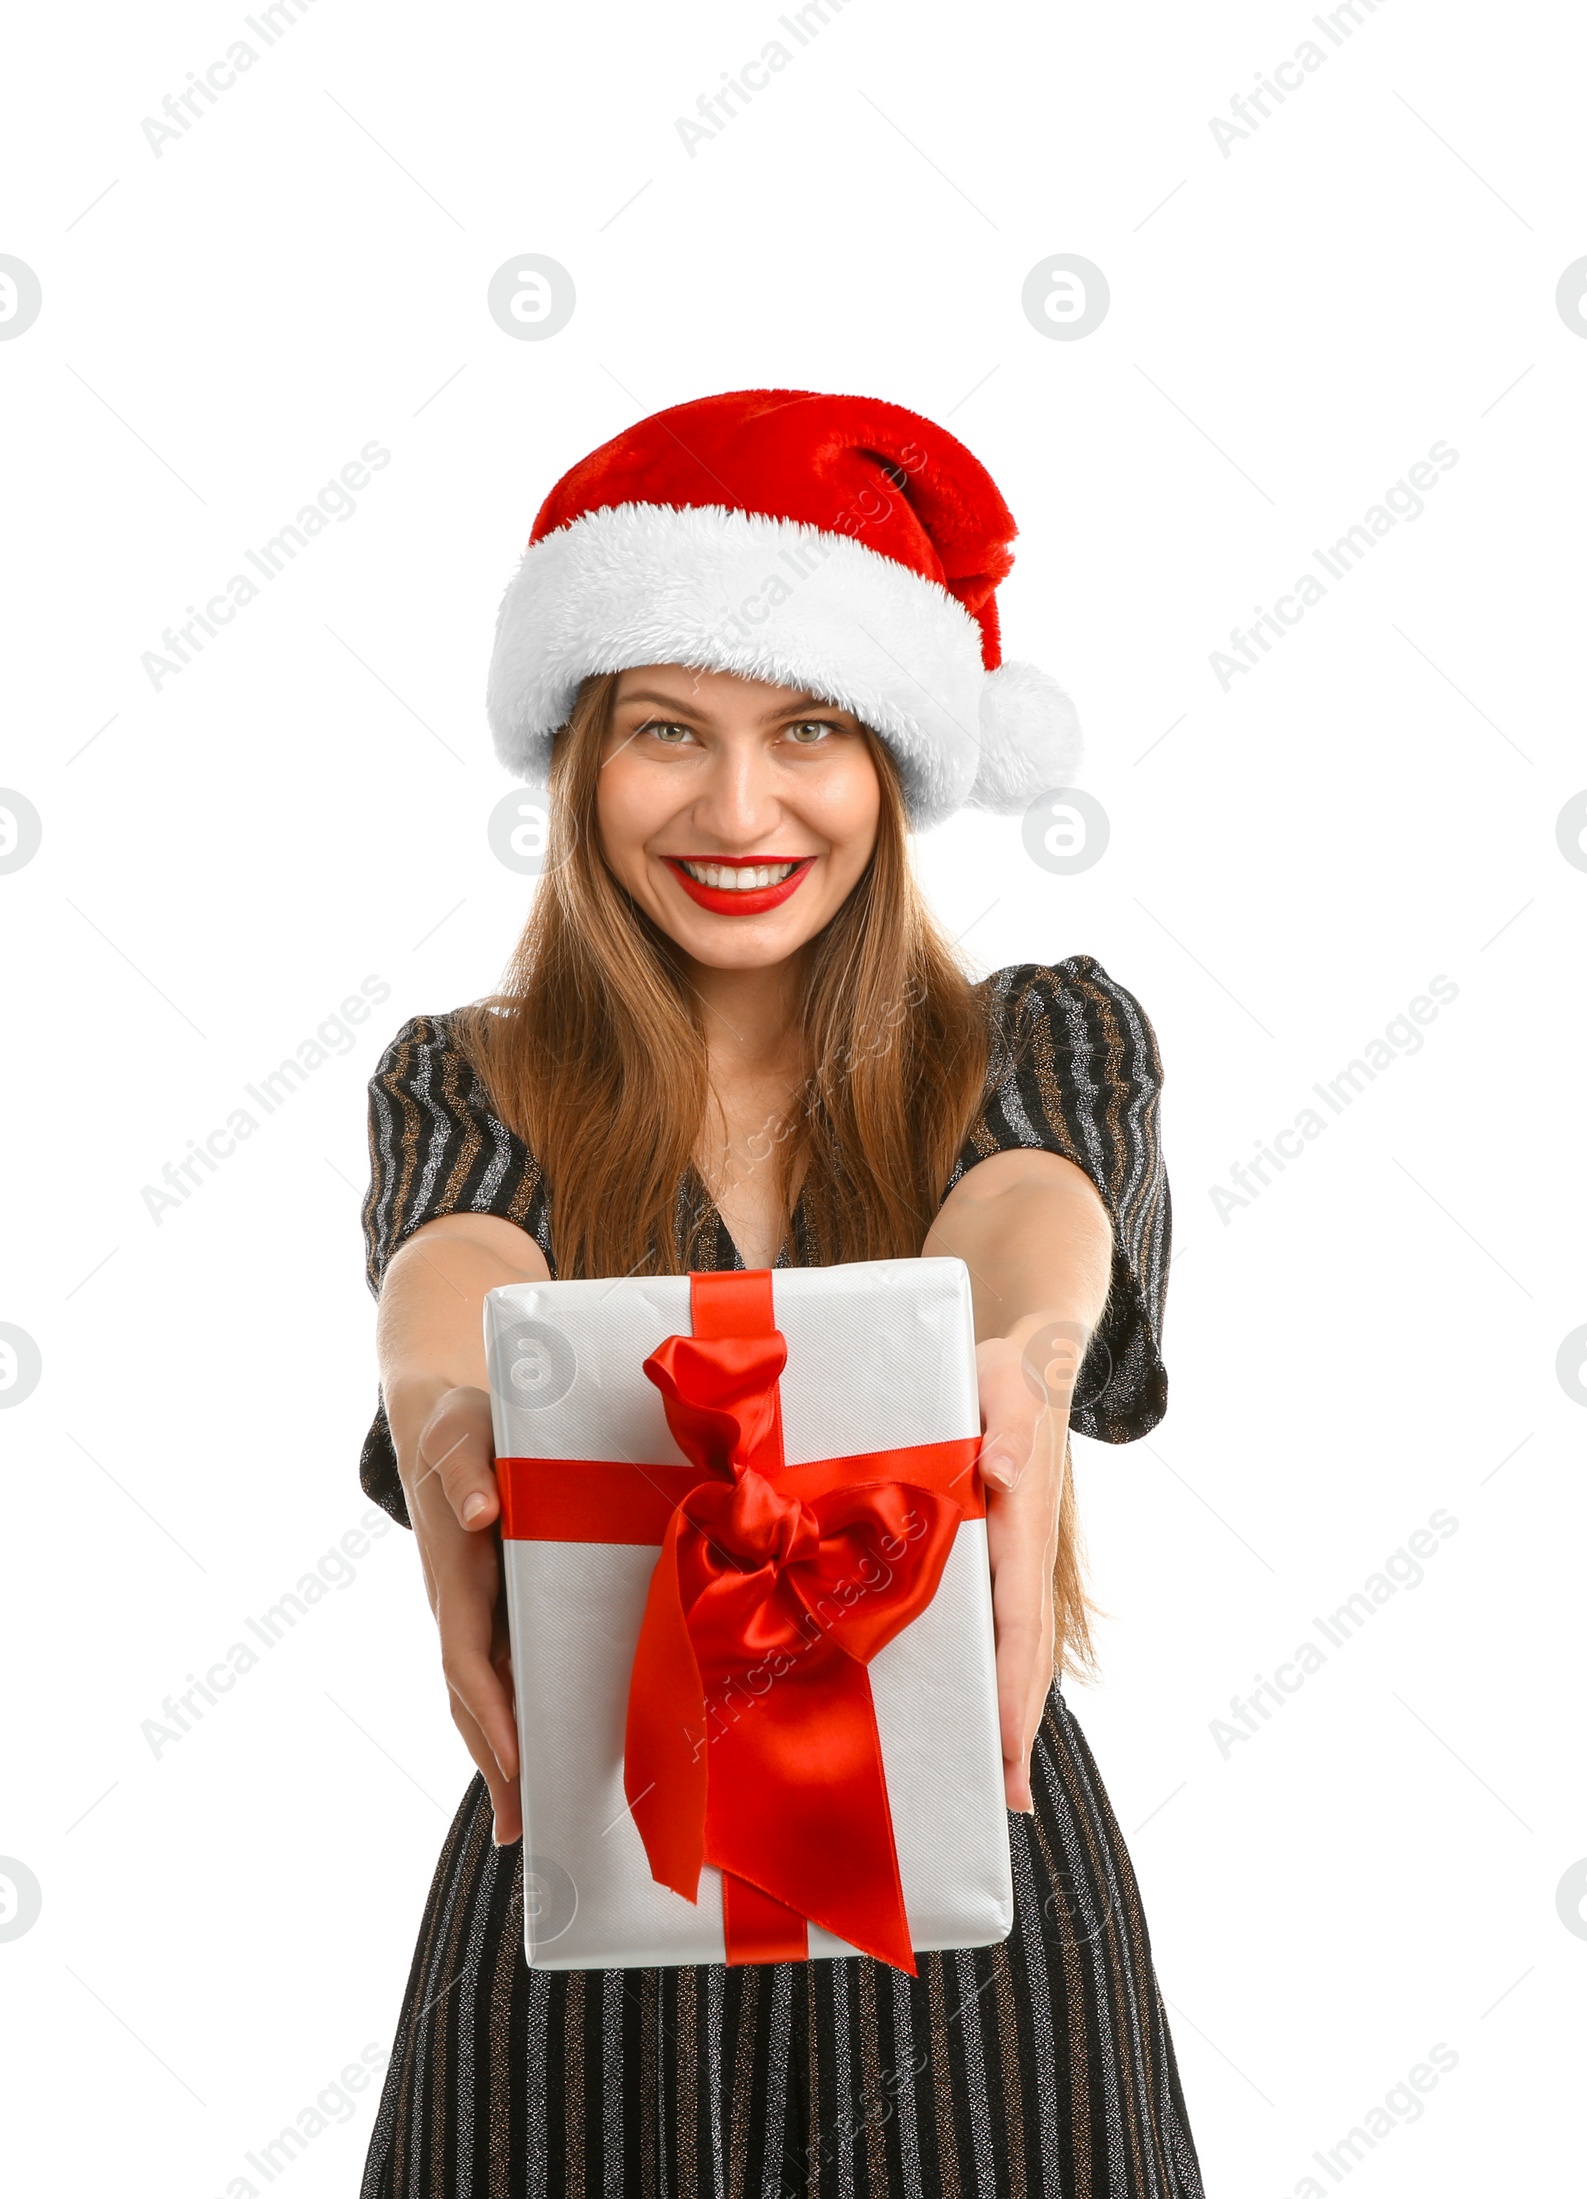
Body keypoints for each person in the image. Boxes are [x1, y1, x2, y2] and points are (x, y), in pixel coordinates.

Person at [357, 390, 1205, 2197]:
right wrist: (442, 1414)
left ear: (891, 759)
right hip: (578, 1918)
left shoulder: (1037, 1043)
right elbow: (460, 1262)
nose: (739, 807)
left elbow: (1028, 1210)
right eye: (668, 730)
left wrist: (1024, 1366)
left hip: (972, 1947)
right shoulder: (471, 1076)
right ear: (583, 761)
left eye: (806, 728)